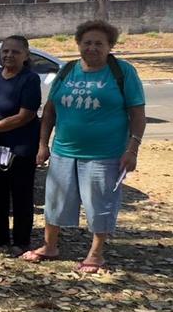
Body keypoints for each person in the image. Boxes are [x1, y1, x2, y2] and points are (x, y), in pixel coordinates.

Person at [26, 21, 146, 273]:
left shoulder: (122, 72)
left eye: (99, 43)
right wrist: (42, 144)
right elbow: (50, 110)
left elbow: (137, 113)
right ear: (78, 44)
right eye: (87, 42)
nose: (92, 48)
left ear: (110, 46)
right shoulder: (68, 70)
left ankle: (96, 254)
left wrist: (132, 149)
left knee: (99, 204)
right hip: (63, 151)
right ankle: (50, 246)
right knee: (55, 201)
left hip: (104, 154)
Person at [0, 35, 43, 255]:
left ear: (26, 55)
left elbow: (25, 115)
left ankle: (21, 240)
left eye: (15, 52)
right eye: (5, 51)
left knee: (21, 194)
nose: (9, 55)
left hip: (21, 146)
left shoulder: (29, 79)